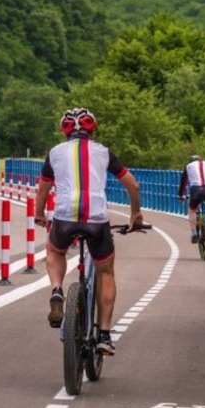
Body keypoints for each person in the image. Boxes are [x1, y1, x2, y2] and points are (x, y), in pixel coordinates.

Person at [34, 107, 143, 356]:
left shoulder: (55, 153)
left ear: (65, 133)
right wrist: (135, 214)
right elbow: (132, 184)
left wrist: (39, 214)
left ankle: (57, 290)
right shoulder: (103, 152)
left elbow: (43, 189)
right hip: (96, 218)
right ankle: (104, 334)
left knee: (55, 249)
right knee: (106, 271)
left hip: (64, 216)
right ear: (92, 131)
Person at [178, 154, 205, 244]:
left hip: (195, 190)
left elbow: (183, 182)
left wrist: (181, 195)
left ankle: (194, 234)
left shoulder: (188, 167)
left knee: (192, 211)